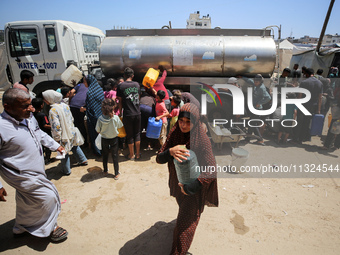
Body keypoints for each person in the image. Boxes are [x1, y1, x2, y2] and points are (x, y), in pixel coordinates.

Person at [0, 88, 68, 242]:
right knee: (49, 197)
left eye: (30, 104)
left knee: (27, 200)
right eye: (25, 106)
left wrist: (55, 145)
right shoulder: (1, 127)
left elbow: (39, 134)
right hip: (20, 174)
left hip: (36, 169)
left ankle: (21, 227)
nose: (31, 109)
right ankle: (50, 227)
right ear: (8, 107)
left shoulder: (29, 117)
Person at [156, 103, 218, 254]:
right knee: (183, 212)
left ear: (196, 122)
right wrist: (170, 151)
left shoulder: (201, 139)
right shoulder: (175, 132)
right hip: (178, 182)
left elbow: (211, 169)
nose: (183, 125)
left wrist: (191, 188)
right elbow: (159, 158)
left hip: (195, 188)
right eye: (181, 121)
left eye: (188, 122)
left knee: (185, 226)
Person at [43, 90, 88, 175]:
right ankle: (83, 160)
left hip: (63, 134)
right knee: (74, 146)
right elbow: (72, 118)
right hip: (71, 130)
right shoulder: (65, 106)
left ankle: (66, 170)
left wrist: (57, 138)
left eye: (45, 99)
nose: (44, 101)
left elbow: (56, 126)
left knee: (62, 151)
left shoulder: (53, 110)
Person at [117, 67, 141, 160]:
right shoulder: (137, 85)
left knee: (130, 135)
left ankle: (131, 155)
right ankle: (138, 154)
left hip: (127, 113)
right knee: (137, 133)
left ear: (124, 75)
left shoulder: (120, 86)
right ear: (133, 76)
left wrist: (119, 113)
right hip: (137, 112)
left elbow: (120, 101)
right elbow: (138, 98)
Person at [293, 68, 323, 143]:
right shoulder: (320, 83)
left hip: (303, 105)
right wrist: (318, 109)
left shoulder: (304, 82)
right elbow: (320, 97)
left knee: (299, 121)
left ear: (306, 74)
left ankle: (296, 138)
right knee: (307, 122)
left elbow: (300, 95)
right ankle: (302, 138)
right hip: (313, 106)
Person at [96, 99, 123, 178]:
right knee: (115, 155)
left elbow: (97, 130)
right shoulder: (115, 118)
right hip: (114, 139)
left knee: (105, 154)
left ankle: (105, 171)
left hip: (104, 139)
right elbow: (119, 126)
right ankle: (116, 173)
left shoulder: (100, 118)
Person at [243, 74, 271, 145]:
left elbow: (268, 98)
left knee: (251, 123)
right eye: (255, 81)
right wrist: (242, 77)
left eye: (257, 82)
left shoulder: (261, 88)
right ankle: (253, 139)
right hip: (254, 108)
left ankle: (258, 139)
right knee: (253, 123)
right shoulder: (256, 85)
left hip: (258, 109)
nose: (255, 83)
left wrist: (259, 103)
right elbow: (249, 81)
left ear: (260, 82)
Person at [85, 75, 105, 156]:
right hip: (102, 115)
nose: (84, 83)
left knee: (94, 134)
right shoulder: (100, 89)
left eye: (84, 81)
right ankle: (104, 150)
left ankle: (98, 151)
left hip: (93, 117)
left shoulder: (89, 92)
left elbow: (90, 106)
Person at [69, 75, 89, 147]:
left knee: (76, 124)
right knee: (82, 124)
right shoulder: (91, 86)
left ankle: (77, 142)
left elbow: (71, 92)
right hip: (82, 106)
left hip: (73, 105)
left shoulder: (79, 85)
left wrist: (70, 101)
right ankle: (85, 142)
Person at [32, 97, 52, 164]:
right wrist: (53, 127)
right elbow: (45, 125)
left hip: (36, 133)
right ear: (41, 105)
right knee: (47, 147)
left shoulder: (31, 114)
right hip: (45, 132)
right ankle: (48, 159)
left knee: (40, 147)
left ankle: (41, 158)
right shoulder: (43, 115)